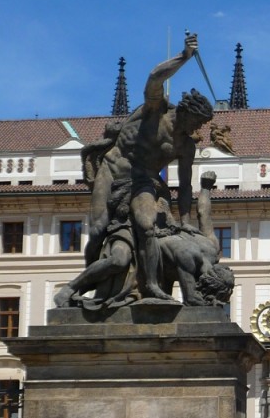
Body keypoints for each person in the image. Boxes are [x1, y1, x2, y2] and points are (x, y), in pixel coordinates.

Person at [77, 33, 213, 301]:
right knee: (96, 230)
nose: (198, 129)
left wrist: (185, 222)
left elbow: (185, 187)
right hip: (114, 169)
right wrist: (184, 56)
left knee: (147, 225)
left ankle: (150, 284)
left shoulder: (185, 146)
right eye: (197, 121)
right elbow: (154, 77)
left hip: (144, 181)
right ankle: (87, 285)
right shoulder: (156, 110)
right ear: (185, 112)